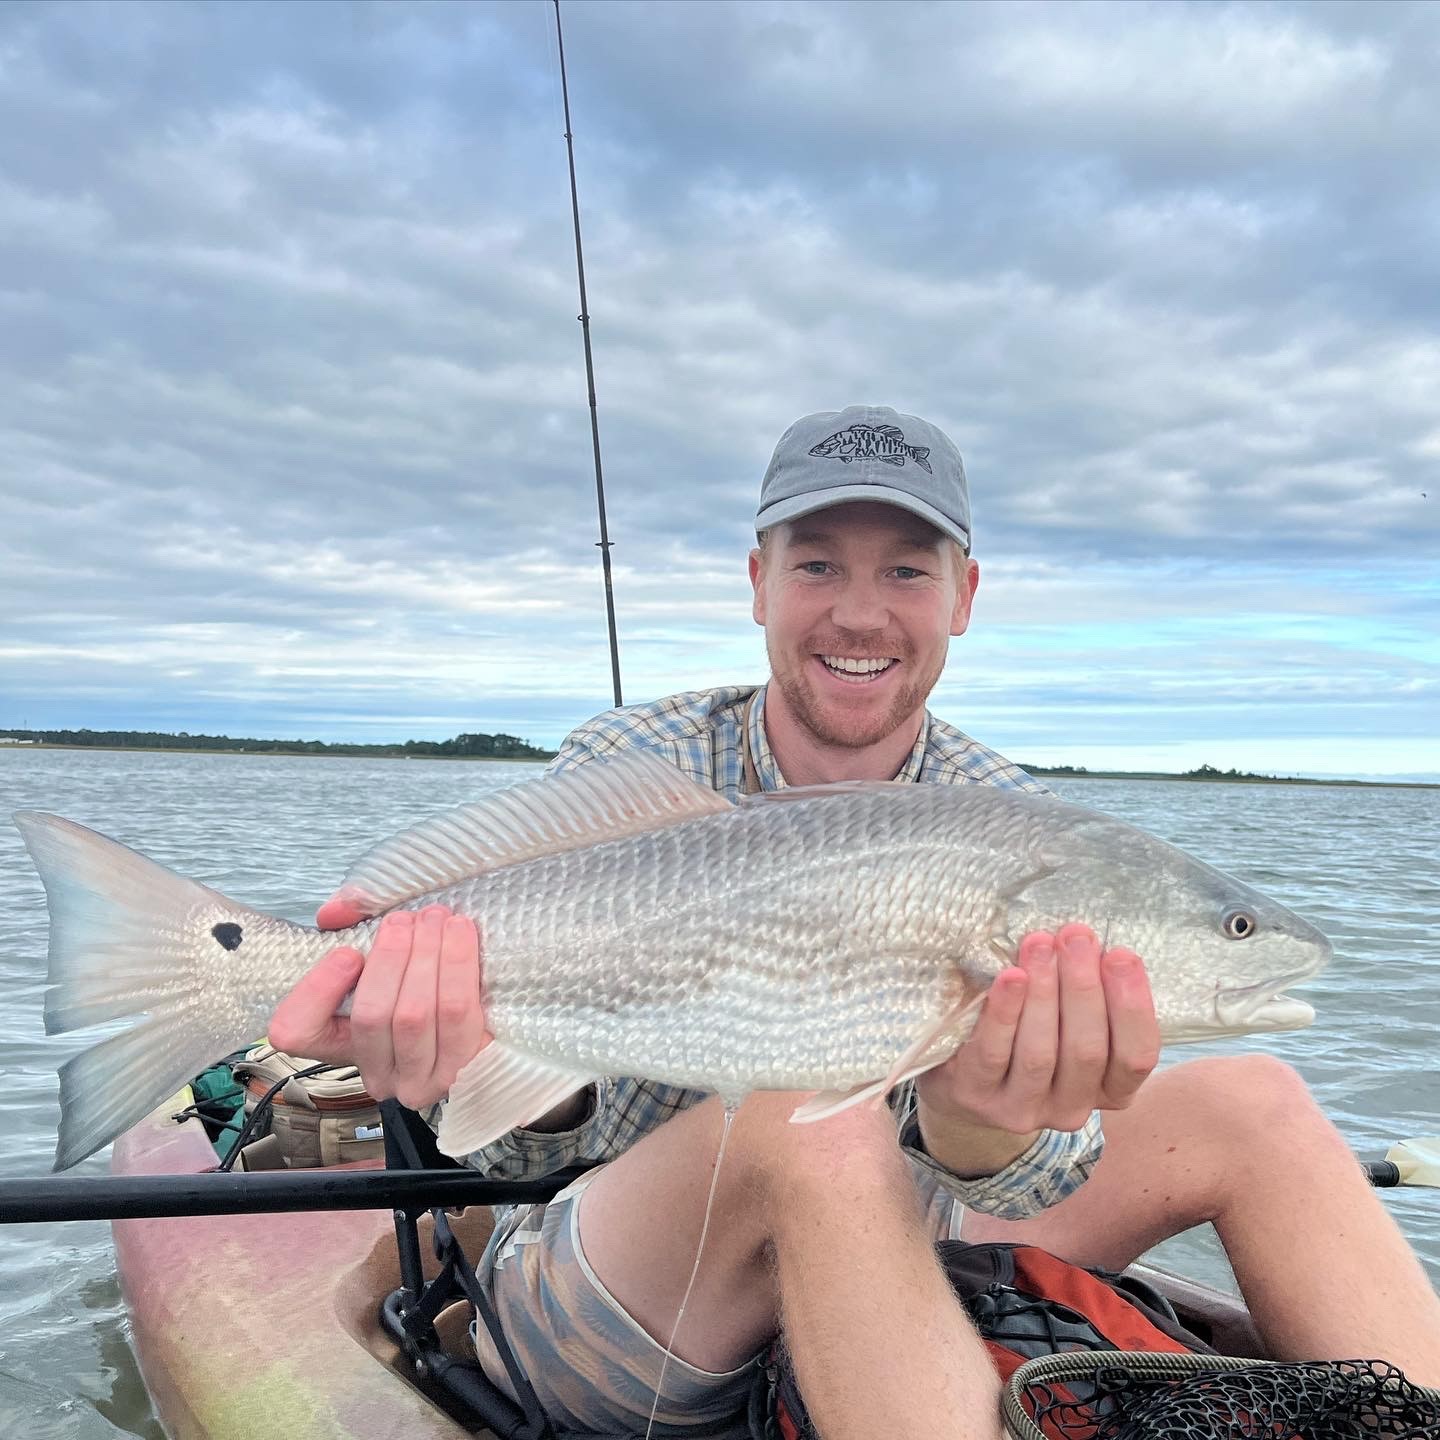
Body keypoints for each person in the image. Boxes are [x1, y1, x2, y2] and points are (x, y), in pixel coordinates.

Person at [270, 406, 1440, 1439]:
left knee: (1263, 1101)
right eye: (819, 564)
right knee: (813, 1122)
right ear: (759, 582)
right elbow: (518, 1151)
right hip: (632, 1298)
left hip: (899, 1256)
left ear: (964, 597)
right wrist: (470, 1057)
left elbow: (1030, 1185)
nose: (862, 614)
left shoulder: (1006, 809)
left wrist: (978, 1120)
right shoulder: (632, 765)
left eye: (909, 573)